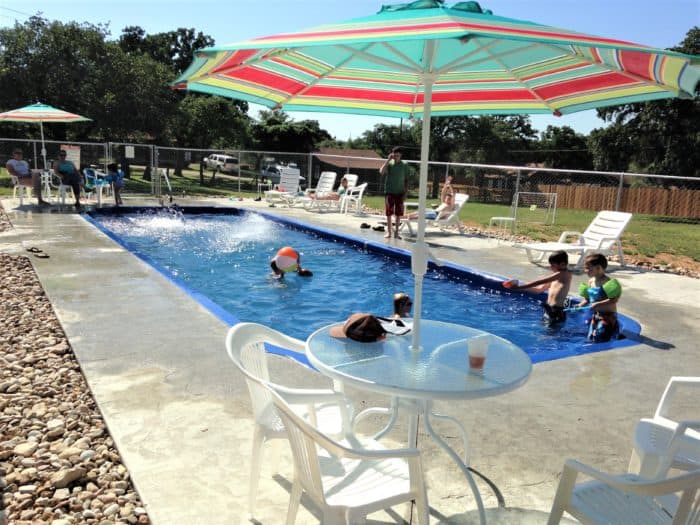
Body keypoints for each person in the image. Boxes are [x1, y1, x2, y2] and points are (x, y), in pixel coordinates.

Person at [503, 250, 572, 324]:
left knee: (550, 334)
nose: (551, 267)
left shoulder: (565, 274)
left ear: (562, 264)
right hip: (549, 309)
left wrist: (519, 287)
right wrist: (520, 287)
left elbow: (540, 281)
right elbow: (539, 290)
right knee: (545, 332)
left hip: (557, 311)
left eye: (553, 265)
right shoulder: (555, 277)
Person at [578, 253, 623, 342]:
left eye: (588, 268)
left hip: (608, 316)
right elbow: (588, 299)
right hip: (597, 315)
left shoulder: (608, 283)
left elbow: (614, 300)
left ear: (598, 268)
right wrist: (580, 305)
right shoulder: (591, 282)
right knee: (592, 338)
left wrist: (598, 304)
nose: (585, 270)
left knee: (601, 339)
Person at [379, 146, 409, 239]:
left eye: (398, 155)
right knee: (389, 213)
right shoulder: (390, 164)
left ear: (401, 155)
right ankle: (389, 232)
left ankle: (396, 233)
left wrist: (406, 192)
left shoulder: (405, 165)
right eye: (394, 155)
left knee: (398, 214)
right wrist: (388, 160)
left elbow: (406, 179)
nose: (396, 157)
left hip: (400, 192)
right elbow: (381, 172)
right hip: (389, 191)